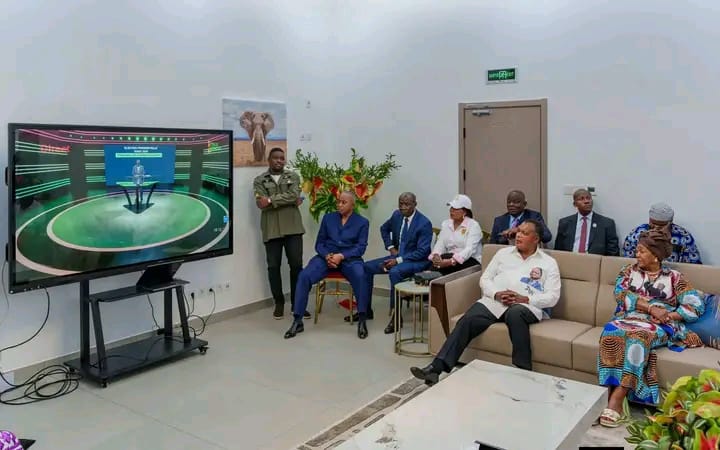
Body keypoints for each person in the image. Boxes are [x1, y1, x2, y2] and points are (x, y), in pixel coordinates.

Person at [410, 220, 561, 385]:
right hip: (495, 302)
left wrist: (524, 299)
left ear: (536, 239)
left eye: (524, 233)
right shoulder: (503, 254)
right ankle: (435, 369)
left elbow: (553, 296)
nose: (518, 235)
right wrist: (496, 294)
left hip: (526, 306)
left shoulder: (548, 262)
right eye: (518, 231)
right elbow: (485, 279)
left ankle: (523, 371)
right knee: (468, 319)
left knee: (515, 314)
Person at [597, 228, 704, 427]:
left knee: (638, 338)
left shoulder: (674, 278)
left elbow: (695, 306)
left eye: (641, 251)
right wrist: (650, 308)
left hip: (659, 325)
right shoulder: (629, 271)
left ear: (655, 256)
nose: (636, 254)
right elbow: (620, 294)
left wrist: (667, 315)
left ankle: (617, 398)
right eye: (637, 250)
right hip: (628, 318)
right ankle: (606, 391)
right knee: (611, 332)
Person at [285, 191, 371, 340]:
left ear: (353, 204)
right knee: (304, 275)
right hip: (326, 257)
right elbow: (319, 243)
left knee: (361, 276)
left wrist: (341, 256)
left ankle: (362, 319)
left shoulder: (362, 222)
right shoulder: (328, 218)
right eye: (338, 201)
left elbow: (361, 247)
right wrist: (327, 256)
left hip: (350, 259)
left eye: (344, 202)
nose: (339, 205)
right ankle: (297, 320)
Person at [360, 192, 433, 334]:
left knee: (395, 272)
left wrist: (398, 260)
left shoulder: (424, 223)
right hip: (397, 257)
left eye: (407, 204)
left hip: (417, 261)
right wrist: (391, 248)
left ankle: (396, 316)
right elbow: (384, 229)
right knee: (367, 267)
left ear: (415, 205)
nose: (403, 207)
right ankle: (366, 310)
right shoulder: (396, 215)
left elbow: (422, 252)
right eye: (401, 203)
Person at [253, 148, 308, 319]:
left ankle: (297, 303)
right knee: (273, 267)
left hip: (293, 227)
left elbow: (294, 195)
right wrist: (288, 200)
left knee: (296, 266)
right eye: (275, 158)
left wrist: (270, 199)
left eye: (282, 158)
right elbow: (260, 203)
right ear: (269, 160)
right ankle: (279, 303)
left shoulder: (293, 177)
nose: (279, 161)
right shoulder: (259, 180)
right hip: (271, 229)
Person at [622, 202, 701, 264]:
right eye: (653, 224)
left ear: (670, 222)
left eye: (661, 226)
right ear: (649, 219)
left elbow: (694, 266)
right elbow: (626, 262)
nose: (656, 228)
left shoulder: (683, 237)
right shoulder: (637, 234)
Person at [428, 194, 482, 275]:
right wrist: (436, 255)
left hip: (469, 260)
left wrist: (452, 261)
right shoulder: (446, 224)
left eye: (455, 209)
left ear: (464, 211)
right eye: (451, 207)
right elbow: (440, 244)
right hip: (448, 258)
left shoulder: (473, 225)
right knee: (435, 266)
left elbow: (469, 249)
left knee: (445, 267)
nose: (451, 210)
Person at [554, 188, 619, 256]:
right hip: (570, 259)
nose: (586, 201)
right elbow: (558, 250)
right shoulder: (565, 223)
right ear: (575, 204)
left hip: (594, 261)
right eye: (581, 199)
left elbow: (613, 253)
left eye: (588, 198)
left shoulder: (607, 223)